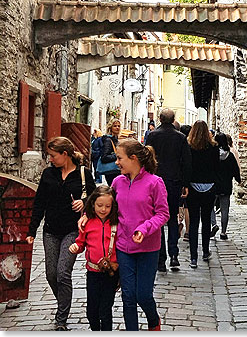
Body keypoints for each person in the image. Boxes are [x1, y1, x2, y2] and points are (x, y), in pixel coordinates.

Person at [78, 138, 169, 331]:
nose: (116, 162)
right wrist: (86, 215)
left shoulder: (155, 183)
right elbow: (101, 202)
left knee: (143, 295)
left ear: (133, 158)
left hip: (148, 248)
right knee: (128, 297)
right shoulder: (118, 182)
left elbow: (163, 214)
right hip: (123, 247)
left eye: (120, 158)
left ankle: (154, 321)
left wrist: (144, 229)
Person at [26, 136, 96, 331]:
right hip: (50, 230)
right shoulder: (49, 174)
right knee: (51, 274)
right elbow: (39, 202)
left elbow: (95, 197)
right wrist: (32, 230)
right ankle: (64, 301)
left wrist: (84, 202)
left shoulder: (83, 173)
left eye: (53, 155)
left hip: (73, 230)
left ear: (65, 154)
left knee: (63, 272)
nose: (50, 159)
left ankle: (61, 318)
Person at [145, 108, 191, 272]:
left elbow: (147, 158)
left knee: (157, 218)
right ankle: (174, 255)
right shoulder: (180, 137)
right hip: (173, 182)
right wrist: (185, 184)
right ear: (173, 120)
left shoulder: (152, 136)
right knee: (172, 218)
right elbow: (186, 162)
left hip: (155, 182)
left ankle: (160, 259)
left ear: (160, 118)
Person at [69, 185, 119, 331]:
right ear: (92, 204)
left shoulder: (117, 223)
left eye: (107, 206)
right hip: (93, 272)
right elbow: (81, 242)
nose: (103, 209)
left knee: (106, 309)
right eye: (100, 205)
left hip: (111, 272)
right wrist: (75, 247)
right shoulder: (88, 223)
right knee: (92, 310)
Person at [186, 120, 220, 268]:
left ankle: (193, 257)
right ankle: (205, 251)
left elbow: (187, 167)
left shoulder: (189, 147)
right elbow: (216, 168)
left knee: (194, 222)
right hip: (209, 187)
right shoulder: (213, 148)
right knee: (206, 221)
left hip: (193, 187)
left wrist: (185, 184)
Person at [211, 132, 241, 240]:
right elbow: (235, 170)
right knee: (225, 210)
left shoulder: (213, 155)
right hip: (226, 185)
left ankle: (214, 224)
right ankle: (223, 232)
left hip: (214, 185)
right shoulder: (230, 156)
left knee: (210, 207)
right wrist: (238, 179)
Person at [178, 125, 192, 241]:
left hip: (177, 178)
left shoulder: (178, 143)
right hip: (187, 179)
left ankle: (178, 223)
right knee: (187, 206)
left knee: (178, 204)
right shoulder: (190, 145)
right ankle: (187, 231)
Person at [100, 119, 121, 186]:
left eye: (118, 126)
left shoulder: (115, 139)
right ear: (110, 128)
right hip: (112, 172)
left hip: (115, 171)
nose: (117, 127)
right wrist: (117, 155)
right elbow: (104, 157)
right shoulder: (108, 140)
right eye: (115, 126)